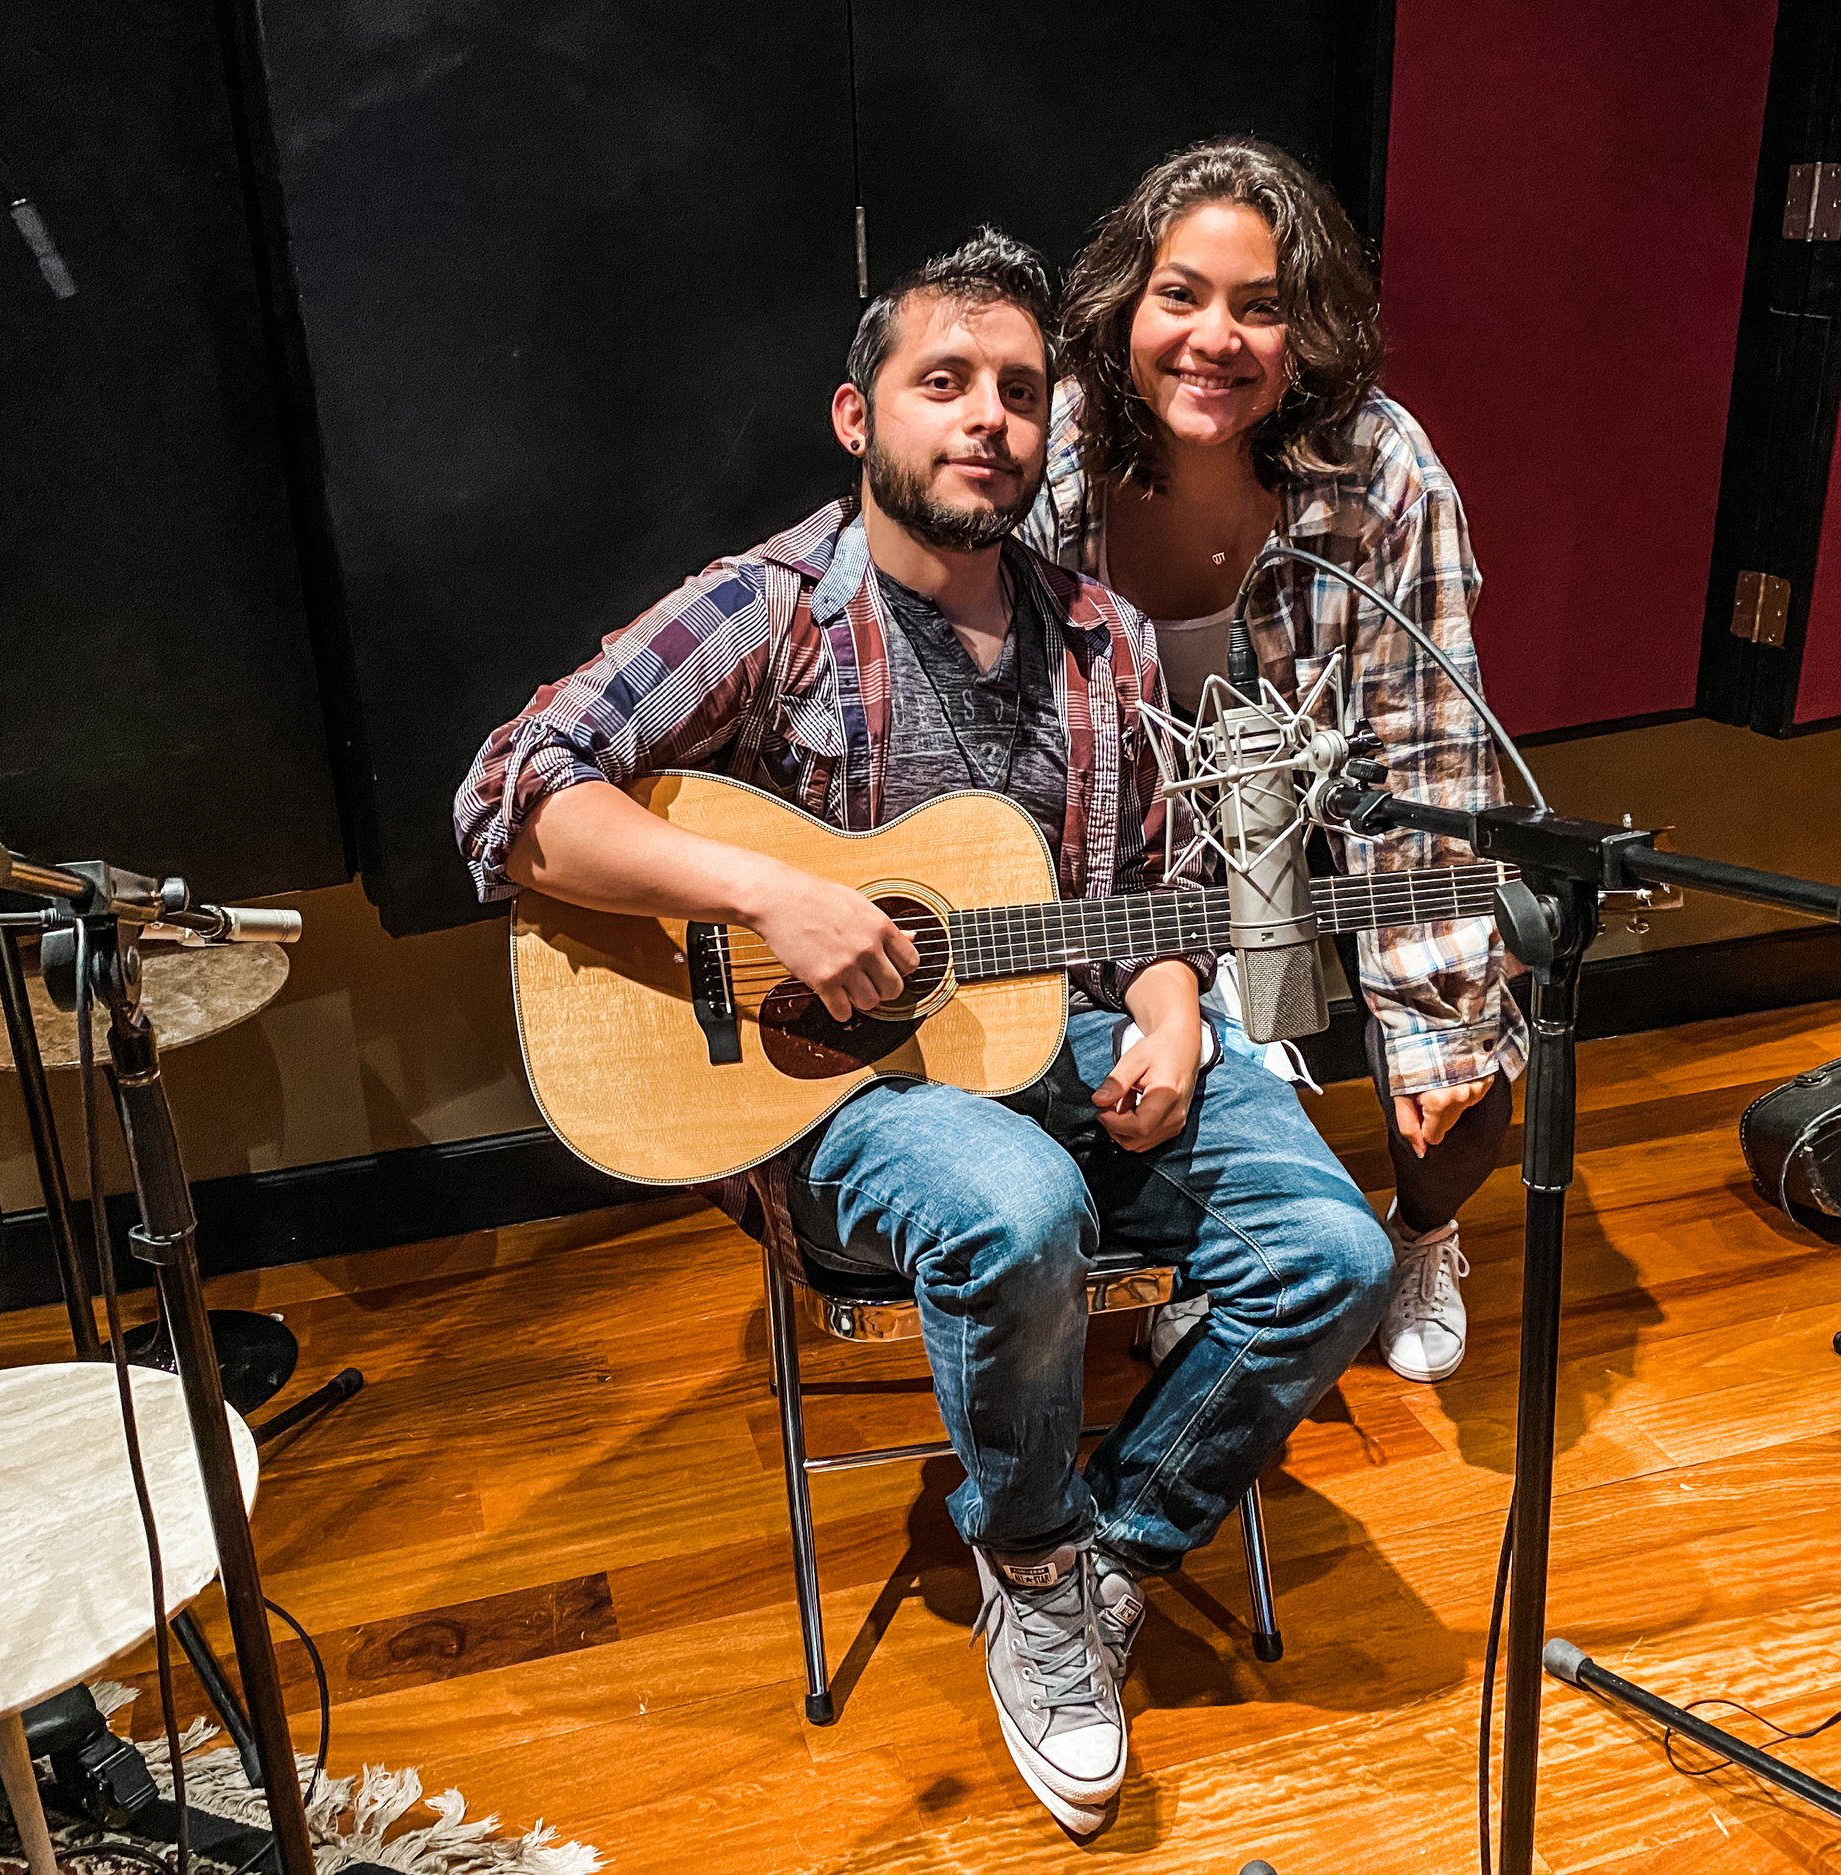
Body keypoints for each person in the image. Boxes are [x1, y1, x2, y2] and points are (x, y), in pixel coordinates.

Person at [455, 230, 1392, 1834]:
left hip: (1064, 1040)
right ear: (858, 414)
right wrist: (771, 893)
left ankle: (1098, 1554)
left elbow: (1150, 889)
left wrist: (1172, 1009)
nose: (987, 420)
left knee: (1338, 1253)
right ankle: (1028, 1549)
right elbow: (508, 796)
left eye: (1019, 393)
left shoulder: (1099, 633)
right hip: (834, 1099)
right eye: (943, 382)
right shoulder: (768, 608)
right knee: (1018, 1205)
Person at [1026, 138, 1524, 1387]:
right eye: (1180, 295)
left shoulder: (1382, 470)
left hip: (1328, 803)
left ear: (1311, 332)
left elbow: (1426, 755)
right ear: (1124, 304)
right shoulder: (1059, 448)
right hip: (1130, 824)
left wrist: (1437, 1028)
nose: (1216, 338)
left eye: (1262, 307)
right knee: (1166, 1069)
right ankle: (1226, 1250)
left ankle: (1421, 1238)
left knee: (1465, 1095)